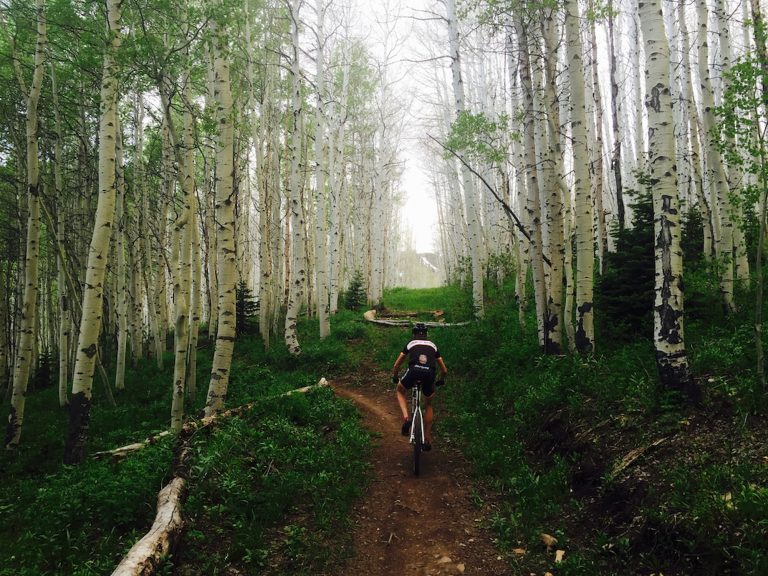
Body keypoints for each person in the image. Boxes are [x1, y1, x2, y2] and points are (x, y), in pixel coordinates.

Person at [391, 322, 448, 451]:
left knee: (400, 390)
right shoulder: (433, 345)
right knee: (429, 404)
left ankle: (406, 419)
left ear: (414, 334)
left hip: (414, 371)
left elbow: (396, 365)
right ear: (426, 334)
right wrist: (441, 380)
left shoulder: (411, 343)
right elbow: (444, 370)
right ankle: (427, 438)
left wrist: (395, 376)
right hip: (429, 374)